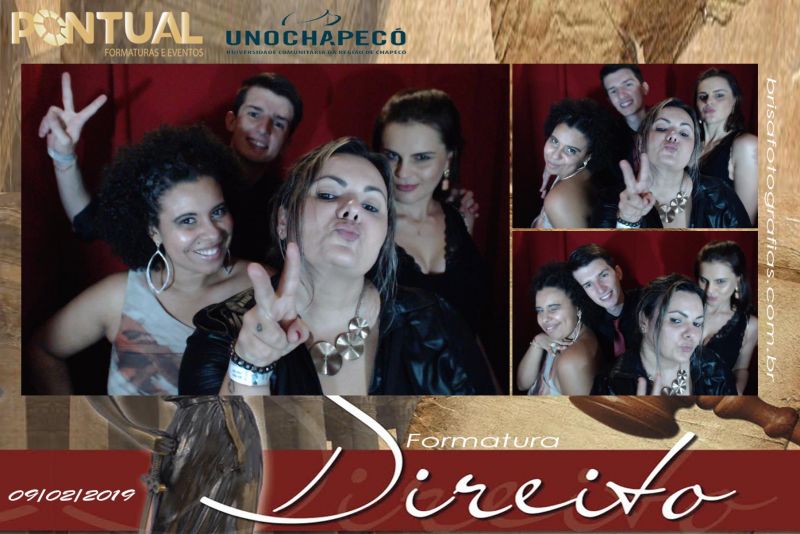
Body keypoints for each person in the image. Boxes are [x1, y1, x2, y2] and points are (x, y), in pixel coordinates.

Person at [179, 138, 497, 395]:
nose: (352, 209)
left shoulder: (435, 322)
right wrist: (250, 364)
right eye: (329, 194)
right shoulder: (220, 334)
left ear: (384, 236)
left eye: (371, 205)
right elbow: (216, 455)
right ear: (284, 220)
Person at [27, 125, 253, 395]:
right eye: (188, 220)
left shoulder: (262, 286)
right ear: (153, 231)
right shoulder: (119, 296)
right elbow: (43, 349)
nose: (213, 232)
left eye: (217, 212)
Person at [38, 71, 303, 261]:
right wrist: (63, 156)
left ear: (287, 141)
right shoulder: (181, 171)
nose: (264, 128)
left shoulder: (286, 206)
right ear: (231, 121)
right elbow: (88, 224)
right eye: (254, 114)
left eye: (279, 123)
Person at [371, 88, 487, 336]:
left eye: (421, 158)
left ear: (449, 159)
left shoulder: (458, 219)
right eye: (392, 156)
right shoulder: (365, 224)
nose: (403, 172)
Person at [88, 396, 261, 533]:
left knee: (235, 520)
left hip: (238, 422)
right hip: (196, 425)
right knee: (173, 520)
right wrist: (134, 432)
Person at [599, 98, 750, 228]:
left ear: (694, 151)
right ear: (640, 142)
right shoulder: (611, 199)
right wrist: (627, 220)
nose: (673, 135)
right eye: (661, 128)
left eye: (684, 133)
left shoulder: (720, 195)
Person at [593, 274, 736, 395]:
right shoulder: (611, 384)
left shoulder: (713, 368)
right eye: (676, 320)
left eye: (697, 323)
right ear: (644, 321)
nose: (691, 334)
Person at [532, 99, 620, 228]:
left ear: (588, 156)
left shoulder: (559, 200)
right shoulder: (585, 172)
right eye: (554, 141)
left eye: (570, 150)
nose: (555, 155)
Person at [517, 263, 601, 395]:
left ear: (578, 307)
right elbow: (522, 384)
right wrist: (537, 342)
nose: (544, 319)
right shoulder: (564, 335)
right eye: (540, 310)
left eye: (553, 308)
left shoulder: (571, 360)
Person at [695, 68, 758, 225]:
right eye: (702, 96)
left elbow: (744, 222)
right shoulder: (691, 145)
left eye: (719, 95)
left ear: (735, 101)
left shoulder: (746, 145)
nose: (709, 101)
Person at [695, 241, 758, 394]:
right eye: (704, 280)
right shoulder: (684, 308)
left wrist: (736, 393)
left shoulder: (750, 325)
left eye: (720, 282)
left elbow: (740, 368)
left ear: (738, 279)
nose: (710, 290)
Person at [568, 244, 641, 361]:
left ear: (618, 273)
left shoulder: (647, 305)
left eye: (603, 275)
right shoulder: (586, 322)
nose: (600, 289)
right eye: (588, 284)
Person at [600, 64, 650, 134]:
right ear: (610, 100)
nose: (621, 96)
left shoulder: (663, 117)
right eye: (613, 91)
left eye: (628, 85)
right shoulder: (608, 136)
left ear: (644, 88)